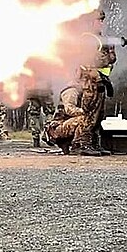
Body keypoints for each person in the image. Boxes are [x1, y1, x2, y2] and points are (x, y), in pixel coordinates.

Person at [45, 66, 105, 156]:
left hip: (67, 124)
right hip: (58, 127)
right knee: (85, 118)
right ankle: (79, 145)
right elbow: (70, 110)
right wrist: (85, 112)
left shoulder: (81, 90)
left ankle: (91, 144)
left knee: (94, 118)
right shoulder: (71, 90)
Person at [91, 10, 115, 154]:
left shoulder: (102, 39)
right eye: (98, 20)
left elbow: (109, 60)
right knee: (90, 115)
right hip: (90, 82)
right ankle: (84, 143)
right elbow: (92, 61)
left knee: (99, 115)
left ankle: (95, 143)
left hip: (101, 81)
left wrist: (111, 52)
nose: (101, 23)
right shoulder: (88, 39)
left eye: (102, 20)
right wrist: (109, 56)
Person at [26, 81, 55, 147]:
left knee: (34, 114)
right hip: (45, 91)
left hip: (32, 92)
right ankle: (48, 134)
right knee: (50, 113)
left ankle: (36, 138)